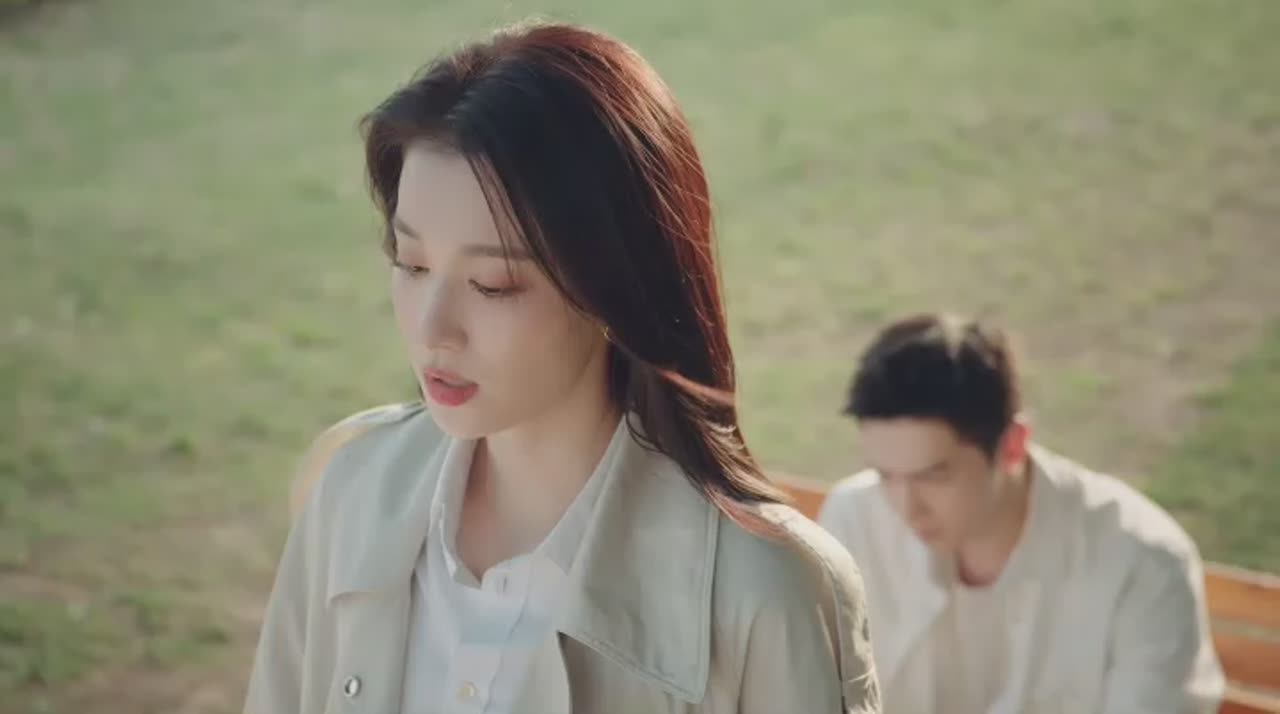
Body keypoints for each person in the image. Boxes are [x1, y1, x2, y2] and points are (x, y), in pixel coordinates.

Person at [243, 21, 880, 714]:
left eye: (492, 285)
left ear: (615, 284)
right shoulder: (354, 489)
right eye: (412, 263)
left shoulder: (769, 591)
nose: (431, 330)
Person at [818, 313, 1223, 714]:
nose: (905, 509)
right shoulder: (853, 519)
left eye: (933, 476)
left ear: (1012, 445)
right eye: (885, 475)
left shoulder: (1141, 566)